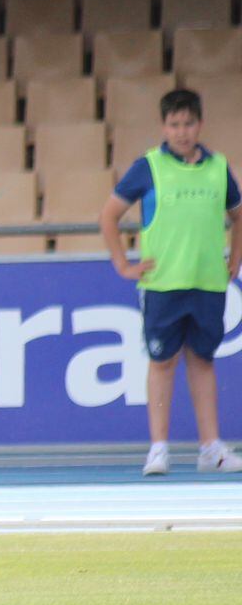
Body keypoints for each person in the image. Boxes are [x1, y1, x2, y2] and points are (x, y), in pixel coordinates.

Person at [101, 87, 242, 475]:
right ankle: (158, 448)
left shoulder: (218, 168)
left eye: (188, 123)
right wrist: (122, 264)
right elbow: (109, 216)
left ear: (200, 124)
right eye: (174, 124)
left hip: (208, 283)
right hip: (163, 284)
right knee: (162, 363)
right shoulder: (148, 167)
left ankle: (210, 448)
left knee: (203, 362)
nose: (182, 131)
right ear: (164, 126)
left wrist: (236, 257)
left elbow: (238, 214)